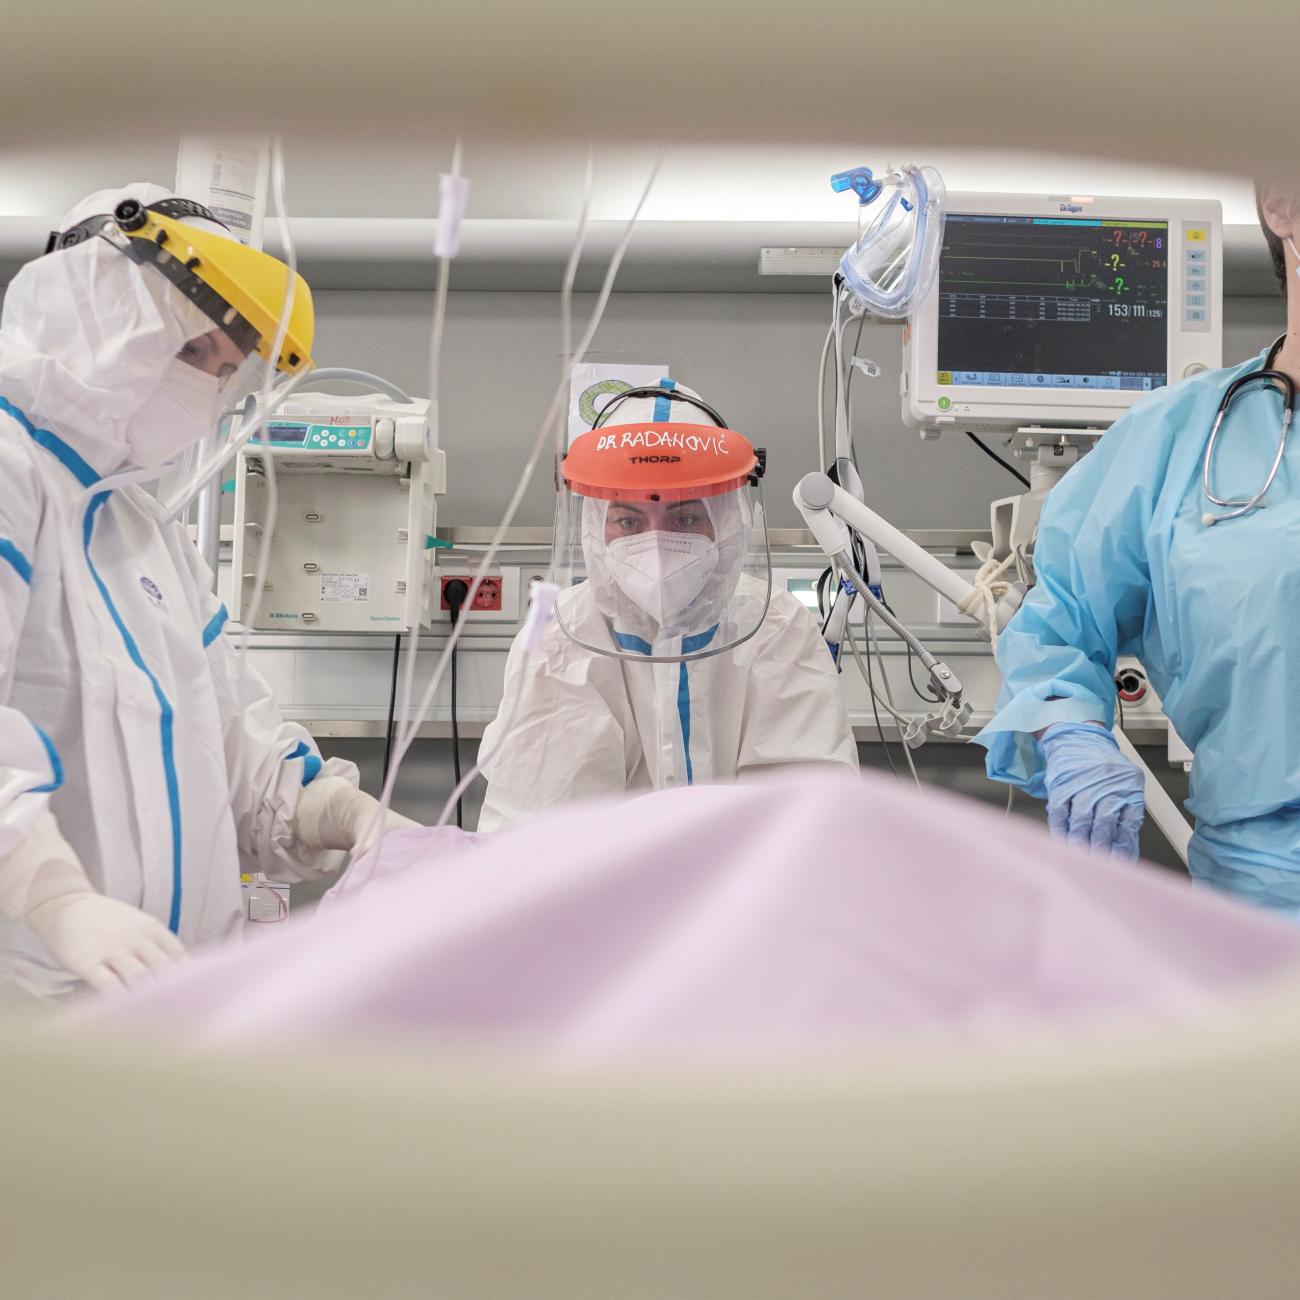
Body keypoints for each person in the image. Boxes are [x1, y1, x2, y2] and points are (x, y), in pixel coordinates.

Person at [0, 183, 412, 997]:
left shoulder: (146, 533)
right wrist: (53, 895)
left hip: (172, 1005)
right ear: (92, 310)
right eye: (191, 352)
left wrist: (341, 814)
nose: (204, 388)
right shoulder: (12, 474)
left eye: (225, 371)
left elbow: (235, 752)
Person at [975, 177, 1300, 914]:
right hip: (1266, 907)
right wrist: (1073, 735)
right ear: (1281, 205)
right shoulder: (1174, 442)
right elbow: (1059, 626)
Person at [477, 382, 858, 829]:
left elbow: (803, 815)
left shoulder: (776, 625)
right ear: (595, 524)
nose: (655, 545)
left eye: (686, 517)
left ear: (727, 520)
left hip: (745, 890)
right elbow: (540, 827)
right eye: (628, 520)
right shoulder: (559, 639)